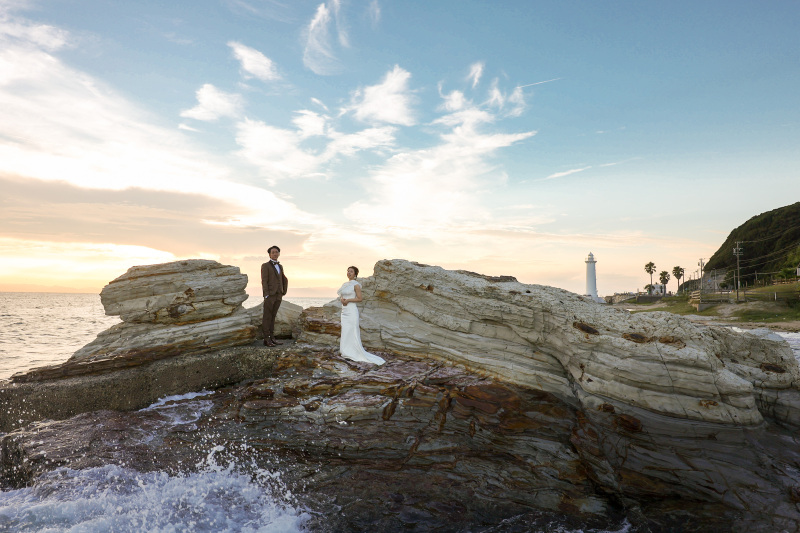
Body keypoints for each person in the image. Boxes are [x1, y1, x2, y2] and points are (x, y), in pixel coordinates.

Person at [337, 266, 385, 365]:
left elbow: (360, 299)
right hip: (344, 311)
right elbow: (342, 295)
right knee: (345, 330)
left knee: (352, 330)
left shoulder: (356, 285)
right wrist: (342, 299)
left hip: (351, 311)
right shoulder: (345, 284)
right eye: (348, 271)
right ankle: (345, 351)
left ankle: (354, 352)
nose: (349, 273)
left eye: (351, 271)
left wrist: (349, 300)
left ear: (355, 274)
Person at [261, 245, 288, 347]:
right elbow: (264, 281)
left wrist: (283, 291)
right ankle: (266, 339)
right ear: (269, 254)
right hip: (270, 295)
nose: (275, 254)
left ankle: (272, 338)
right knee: (267, 317)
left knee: (273, 317)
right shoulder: (265, 266)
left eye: (276, 252)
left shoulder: (280, 266)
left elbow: (283, 279)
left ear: (279, 253)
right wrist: (266, 294)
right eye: (273, 252)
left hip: (278, 295)